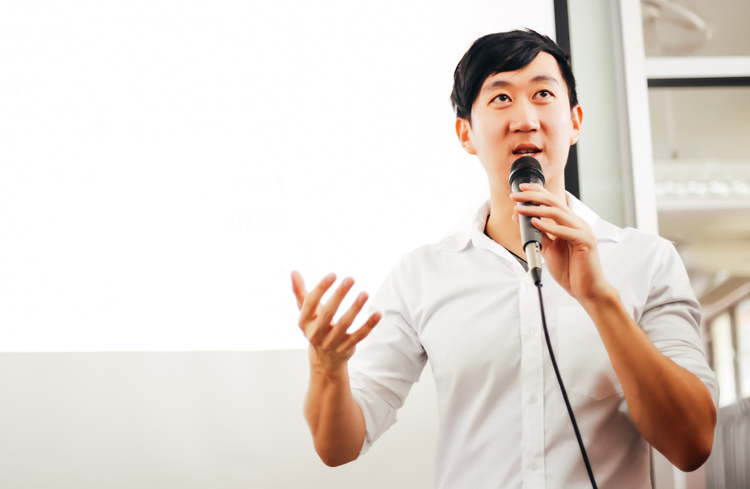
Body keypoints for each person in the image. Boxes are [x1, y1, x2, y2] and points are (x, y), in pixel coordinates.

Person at [291, 29, 717, 488]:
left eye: (543, 94)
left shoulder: (647, 261)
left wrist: (600, 301)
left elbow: (692, 444)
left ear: (575, 121)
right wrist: (327, 367)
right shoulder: (422, 275)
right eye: (500, 99)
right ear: (465, 133)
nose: (525, 118)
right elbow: (338, 447)